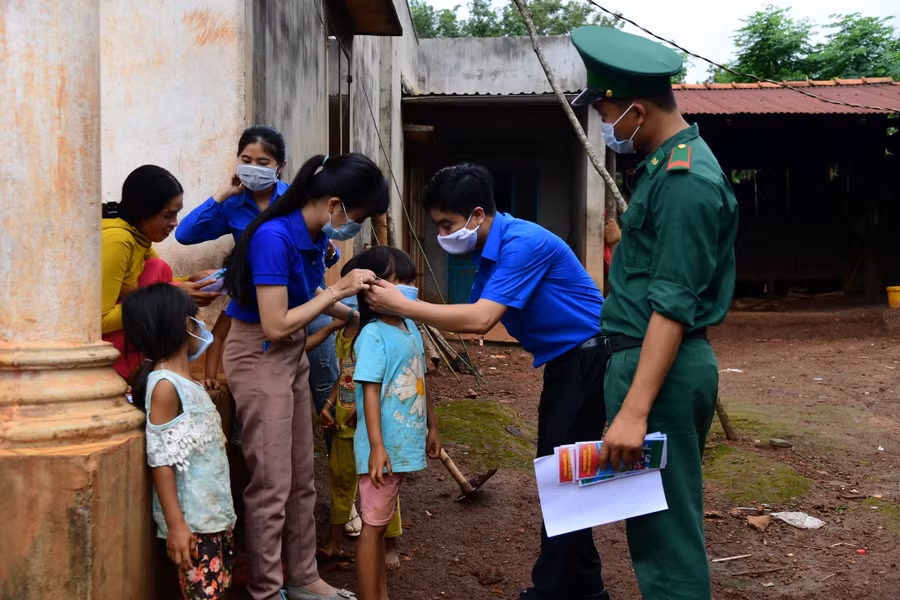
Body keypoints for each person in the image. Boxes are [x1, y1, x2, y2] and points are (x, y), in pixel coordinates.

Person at [366, 164, 610, 600]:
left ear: (477, 215)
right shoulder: (489, 249)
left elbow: (480, 317)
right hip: (566, 362)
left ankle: (552, 589)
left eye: (447, 224)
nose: (442, 233)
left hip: (589, 359)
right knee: (565, 475)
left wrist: (401, 305)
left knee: (563, 478)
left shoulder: (522, 244)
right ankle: (584, 587)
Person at [570, 26, 739, 600]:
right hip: (644, 366)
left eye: (607, 113)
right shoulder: (666, 167)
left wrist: (634, 413)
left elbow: (671, 307)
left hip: (658, 372)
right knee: (649, 526)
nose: (606, 127)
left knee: (666, 540)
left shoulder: (685, 180)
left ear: (635, 110)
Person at [222, 153, 389, 600]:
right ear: (335, 204)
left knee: (300, 478)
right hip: (259, 352)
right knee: (271, 484)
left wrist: (354, 313)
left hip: (289, 354)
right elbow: (276, 322)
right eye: (360, 216)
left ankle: (302, 577)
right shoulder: (273, 237)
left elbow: (308, 290)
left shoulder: (311, 233)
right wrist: (341, 291)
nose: (358, 225)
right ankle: (266, 588)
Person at [174, 125, 340, 390]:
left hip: (308, 296)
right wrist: (222, 194)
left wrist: (330, 251)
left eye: (263, 162)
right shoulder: (232, 205)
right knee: (261, 384)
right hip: (260, 301)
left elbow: (327, 253)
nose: (253, 167)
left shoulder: (298, 198)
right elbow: (184, 234)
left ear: (280, 166)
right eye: (246, 160)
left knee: (322, 380)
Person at [122, 283, 237, 600]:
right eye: (194, 318)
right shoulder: (164, 386)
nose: (199, 326)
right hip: (193, 525)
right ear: (184, 325)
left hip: (214, 518)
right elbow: (161, 460)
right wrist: (176, 526)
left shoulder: (189, 383)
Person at [350, 246, 440, 600]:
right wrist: (376, 447)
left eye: (408, 281)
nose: (406, 288)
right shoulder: (372, 335)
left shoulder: (410, 327)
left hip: (400, 445)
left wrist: (433, 426)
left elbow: (421, 378)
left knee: (381, 523)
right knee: (372, 529)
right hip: (381, 451)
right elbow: (369, 393)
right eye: (397, 280)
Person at [318, 255, 405, 571]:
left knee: (381, 482)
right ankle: (334, 540)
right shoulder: (347, 331)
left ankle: (389, 543)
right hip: (342, 423)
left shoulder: (381, 334)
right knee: (340, 481)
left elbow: (384, 383)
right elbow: (345, 376)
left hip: (372, 428)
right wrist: (328, 406)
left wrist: (362, 412)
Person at [102, 165, 221, 379]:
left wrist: (193, 281)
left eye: (176, 214)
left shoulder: (138, 236)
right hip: (105, 342)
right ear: (143, 212)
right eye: (168, 215)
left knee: (159, 269)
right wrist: (175, 294)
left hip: (124, 333)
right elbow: (99, 319)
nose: (174, 223)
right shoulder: (119, 241)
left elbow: (163, 281)